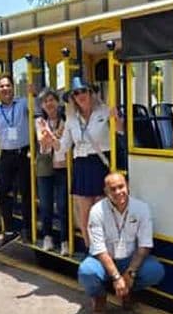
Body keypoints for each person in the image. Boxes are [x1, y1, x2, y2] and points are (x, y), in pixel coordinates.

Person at [42, 76, 121, 252]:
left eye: (83, 91)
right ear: (73, 98)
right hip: (81, 166)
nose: (80, 95)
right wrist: (52, 141)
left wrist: (117, 119)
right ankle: (91, 251)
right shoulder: (71, 119)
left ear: (91, 93)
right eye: (76, 93)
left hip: (100, 164)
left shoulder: (105, 112)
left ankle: (106, 251)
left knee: (102, 213)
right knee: (85, 215)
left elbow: (120, 133)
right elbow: (63, 147)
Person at [77, 172, 165, 314]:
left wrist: (130, 273)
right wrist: (117, 277)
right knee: (86, 272)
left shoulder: (141, 208)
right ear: (106, 191)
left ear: (127, 186)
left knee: (156, 271)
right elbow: (99, 250)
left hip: (129, 259)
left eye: (121, 187)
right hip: (104, 260)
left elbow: (144, 246)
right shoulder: (97, 211)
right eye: (113, 189)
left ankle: (127, 290)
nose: (118, 192)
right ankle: (99, 297)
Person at [0, 74, 33, 248]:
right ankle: (9, 230)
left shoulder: (23, 103)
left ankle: (27, 229)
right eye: (1, 86)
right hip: (7, 155)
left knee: (26, 192)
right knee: (1, 192)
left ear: (13, 87)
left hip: (24, 153)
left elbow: (38, 110)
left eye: (8, 85)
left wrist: (34, 94)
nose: (5, 89)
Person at [35, 88, 69, 255]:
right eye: (45, 101)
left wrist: (51, 137)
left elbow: (63, 143)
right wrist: (55, 136)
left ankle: (65, 240)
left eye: (52, 100)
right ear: (42, 105)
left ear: (58, 102)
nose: (49, 104)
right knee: (46, 204)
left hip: (63, 166)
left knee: (62, 205)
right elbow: (43, 143)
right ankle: (47, 237)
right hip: (45, 166)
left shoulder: (66, 120)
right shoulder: (40, 121)